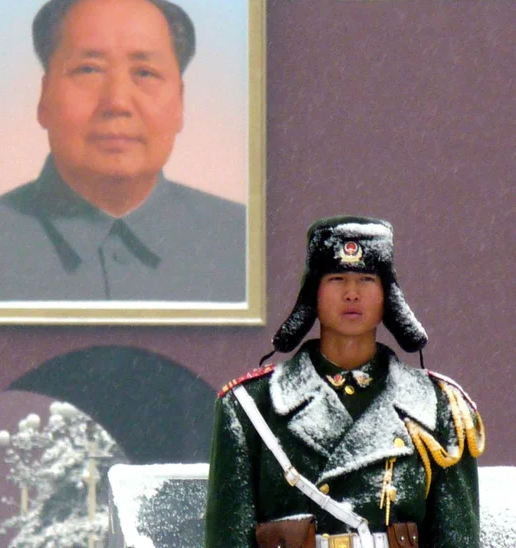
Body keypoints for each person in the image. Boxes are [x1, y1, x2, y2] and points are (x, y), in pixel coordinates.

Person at [205, 215, 485, 548]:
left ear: (388, 296)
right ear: (314, 294)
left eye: (367, 279)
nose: (351, 293)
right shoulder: (251, 407)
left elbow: (457, 538)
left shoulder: (439, 408)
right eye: (336, 278)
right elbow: (227, 537)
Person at [0, 0, 245, 301]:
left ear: (180, 102)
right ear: (43, 98)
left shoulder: (242, 243)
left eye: (145, 73)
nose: (117, 102)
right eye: (89, 69)